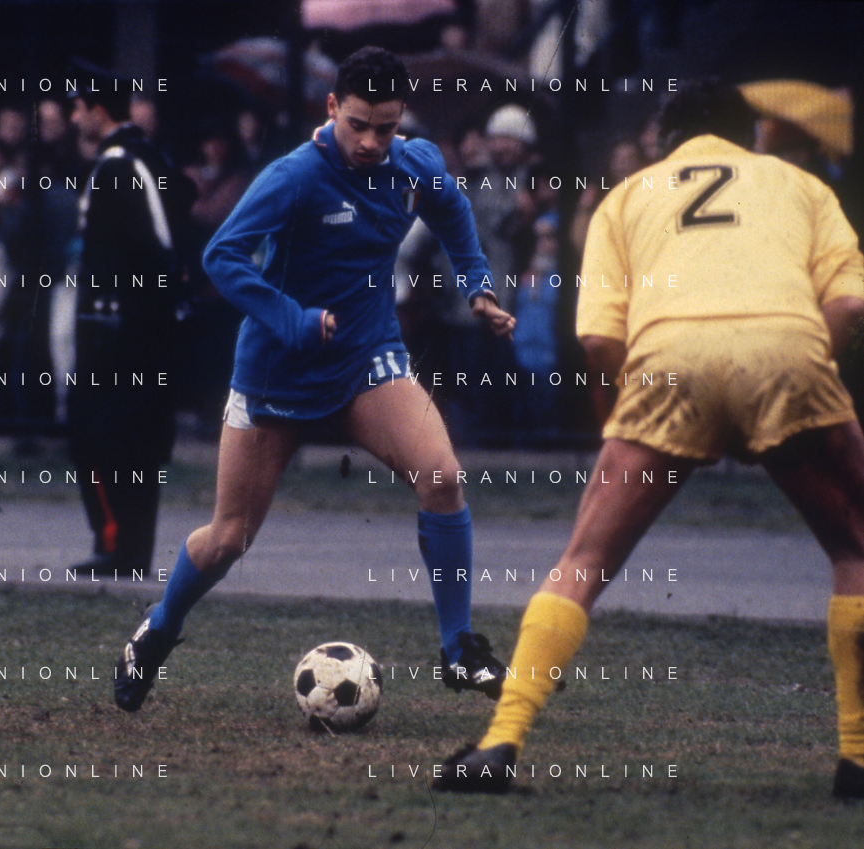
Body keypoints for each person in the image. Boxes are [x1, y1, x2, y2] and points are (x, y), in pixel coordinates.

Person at [432, 80, 864, 800]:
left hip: (668, 363)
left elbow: (598, 338)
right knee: (854, 548)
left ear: (664, 141)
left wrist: (640, 411)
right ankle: (856, 756)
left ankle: (499, 742)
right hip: (787, 349)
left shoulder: (628, 196)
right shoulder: (799, 185)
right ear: (750, 136)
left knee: (584, 558)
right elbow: (848, 301)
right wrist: (784, 379)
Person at [113, 46, 516, 713]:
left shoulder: (413, 161)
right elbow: (221, 257)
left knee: (443, 477)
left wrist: (477, 284)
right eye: (357, 124)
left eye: (385, 127)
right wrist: (293, 319)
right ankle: (156, 630)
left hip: (367, 359)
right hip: (278, 372)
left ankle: (458, 648)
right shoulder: (293, 176)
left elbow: (450, 208)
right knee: (228, 538)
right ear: (331, 108)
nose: (370, 141)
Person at [67, 60, 190, 576]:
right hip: (138, 328)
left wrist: (121, 316)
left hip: (121, 331)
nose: (73, 118)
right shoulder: (146, 158)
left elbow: (158, 246)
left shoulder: (121, 165)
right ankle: (125, 547)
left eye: (78, 108)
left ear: (99, 111)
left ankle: (120, 545)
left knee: (101, 433)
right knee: (130, 436)